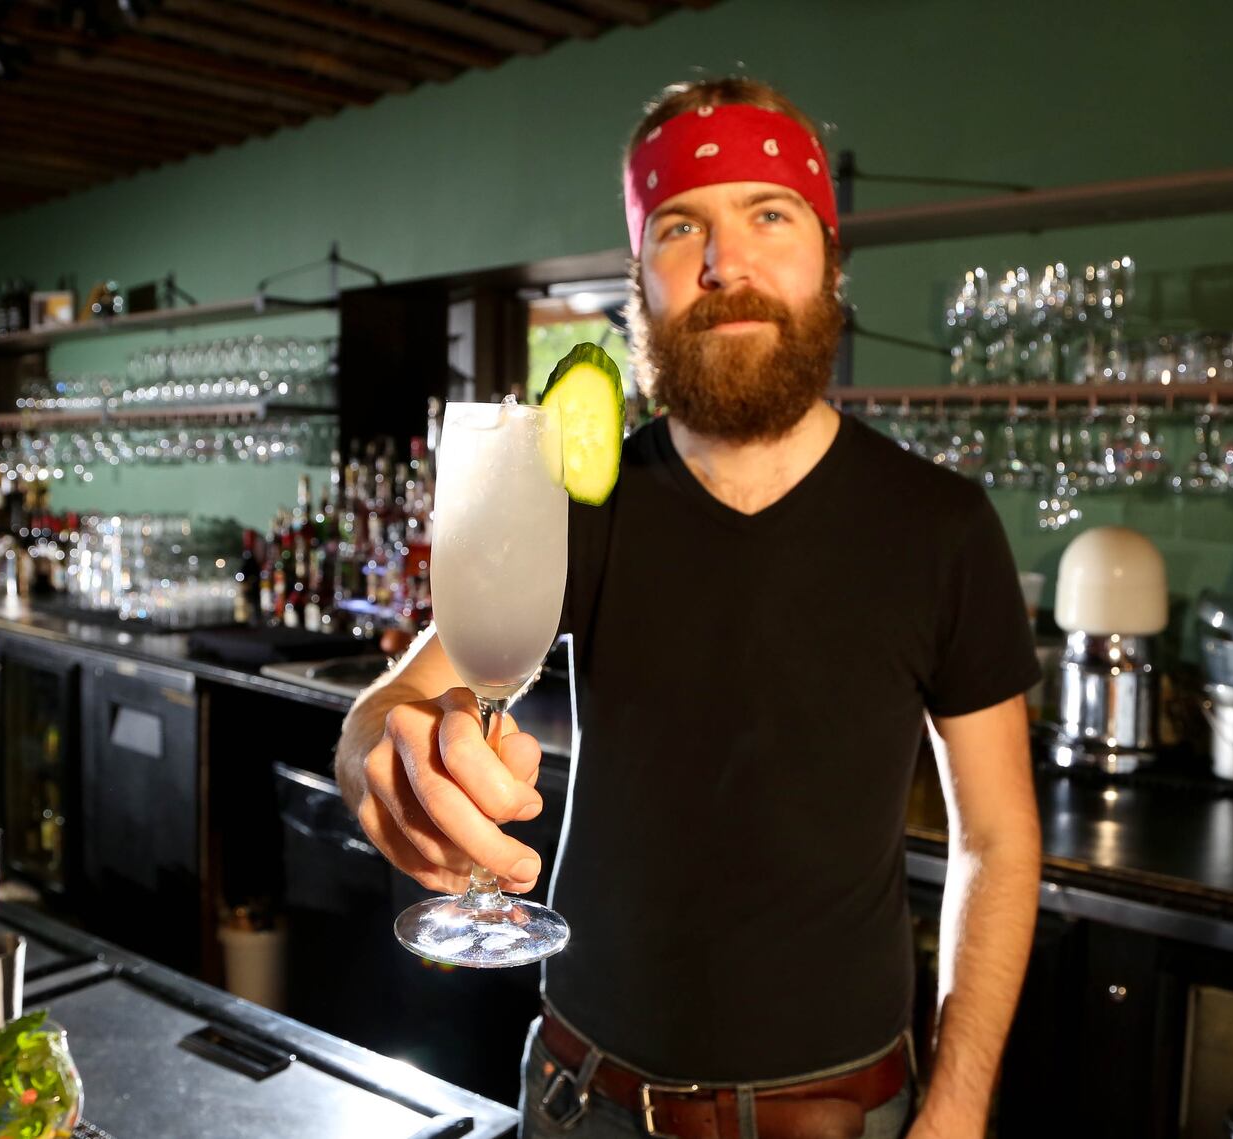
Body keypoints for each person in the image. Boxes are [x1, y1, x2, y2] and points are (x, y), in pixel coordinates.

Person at [335, 77, 1043, 1139]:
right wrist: (379, 765)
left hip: (846, 1110)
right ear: (640, 281)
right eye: (680, 225)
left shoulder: (941, 525)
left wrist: (956, 1106)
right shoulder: (579, 501)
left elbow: (994, 834)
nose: (727, 263)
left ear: (828, 259)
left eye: (770, 213)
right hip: (586, 1096)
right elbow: (405, 694)